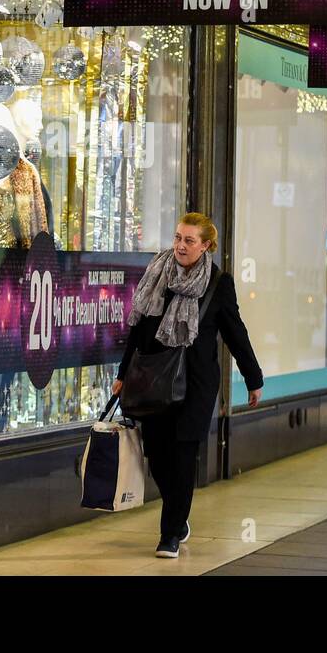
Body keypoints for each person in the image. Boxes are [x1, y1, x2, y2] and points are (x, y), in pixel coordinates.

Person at [112, 213, 264, 559]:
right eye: (178, 238)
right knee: (156, 456)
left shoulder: (217, 283)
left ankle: (169, 534)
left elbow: (234, 333)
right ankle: (178, 517)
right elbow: (138, 329)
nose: (180, 245)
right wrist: (123, 374)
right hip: (153, 381)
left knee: (181, 457)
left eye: (189, 240)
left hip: (194, 384)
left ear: (206, 245)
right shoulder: (158, 273)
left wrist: (252, 377)